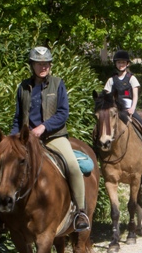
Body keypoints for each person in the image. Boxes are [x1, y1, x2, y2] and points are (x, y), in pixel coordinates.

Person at [10, 46, 89, 231]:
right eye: (39, 63)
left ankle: (80, 212)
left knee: (73, 166)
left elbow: (63, 113)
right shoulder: (23, 87)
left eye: (46, 63)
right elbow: (17, 117)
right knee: (7, 167)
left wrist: (43, 127)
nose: (43, 67)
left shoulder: (57, 83)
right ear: (32, 65)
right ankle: (2, 215)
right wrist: (14, 138)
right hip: (27, 139)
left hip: (54, 136)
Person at [103, 50, 142, 162]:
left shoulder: (132, 78)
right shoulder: (111, 80)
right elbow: (106, 95)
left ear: (127, 64)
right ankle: (101, 145)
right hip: (115, 108)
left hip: (128, 107)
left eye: (123, 62)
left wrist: (133, 108)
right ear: (115, 64)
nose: (121, 64)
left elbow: (135, 95)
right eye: (119, 62)